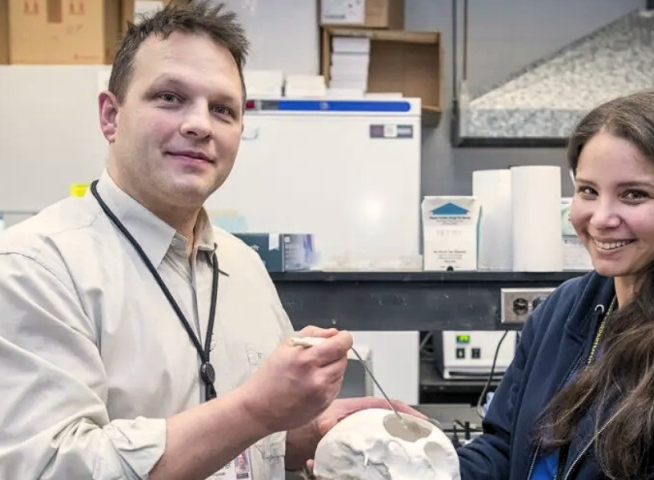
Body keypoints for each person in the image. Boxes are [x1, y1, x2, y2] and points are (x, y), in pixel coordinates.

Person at [0, 2, 419, 479]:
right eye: (169, 98)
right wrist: (256, 410)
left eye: (222, 109)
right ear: (111, 116)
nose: (199, 124)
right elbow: (49, 469)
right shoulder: (34, 267)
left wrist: (303, 436)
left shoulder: (242, 266)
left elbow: (234, 447)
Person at [458, 91, 654, 480]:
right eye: (588, 190)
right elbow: (502, 451)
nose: (602, 218)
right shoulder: (564, 309)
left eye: (634, 195)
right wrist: (412, 462)